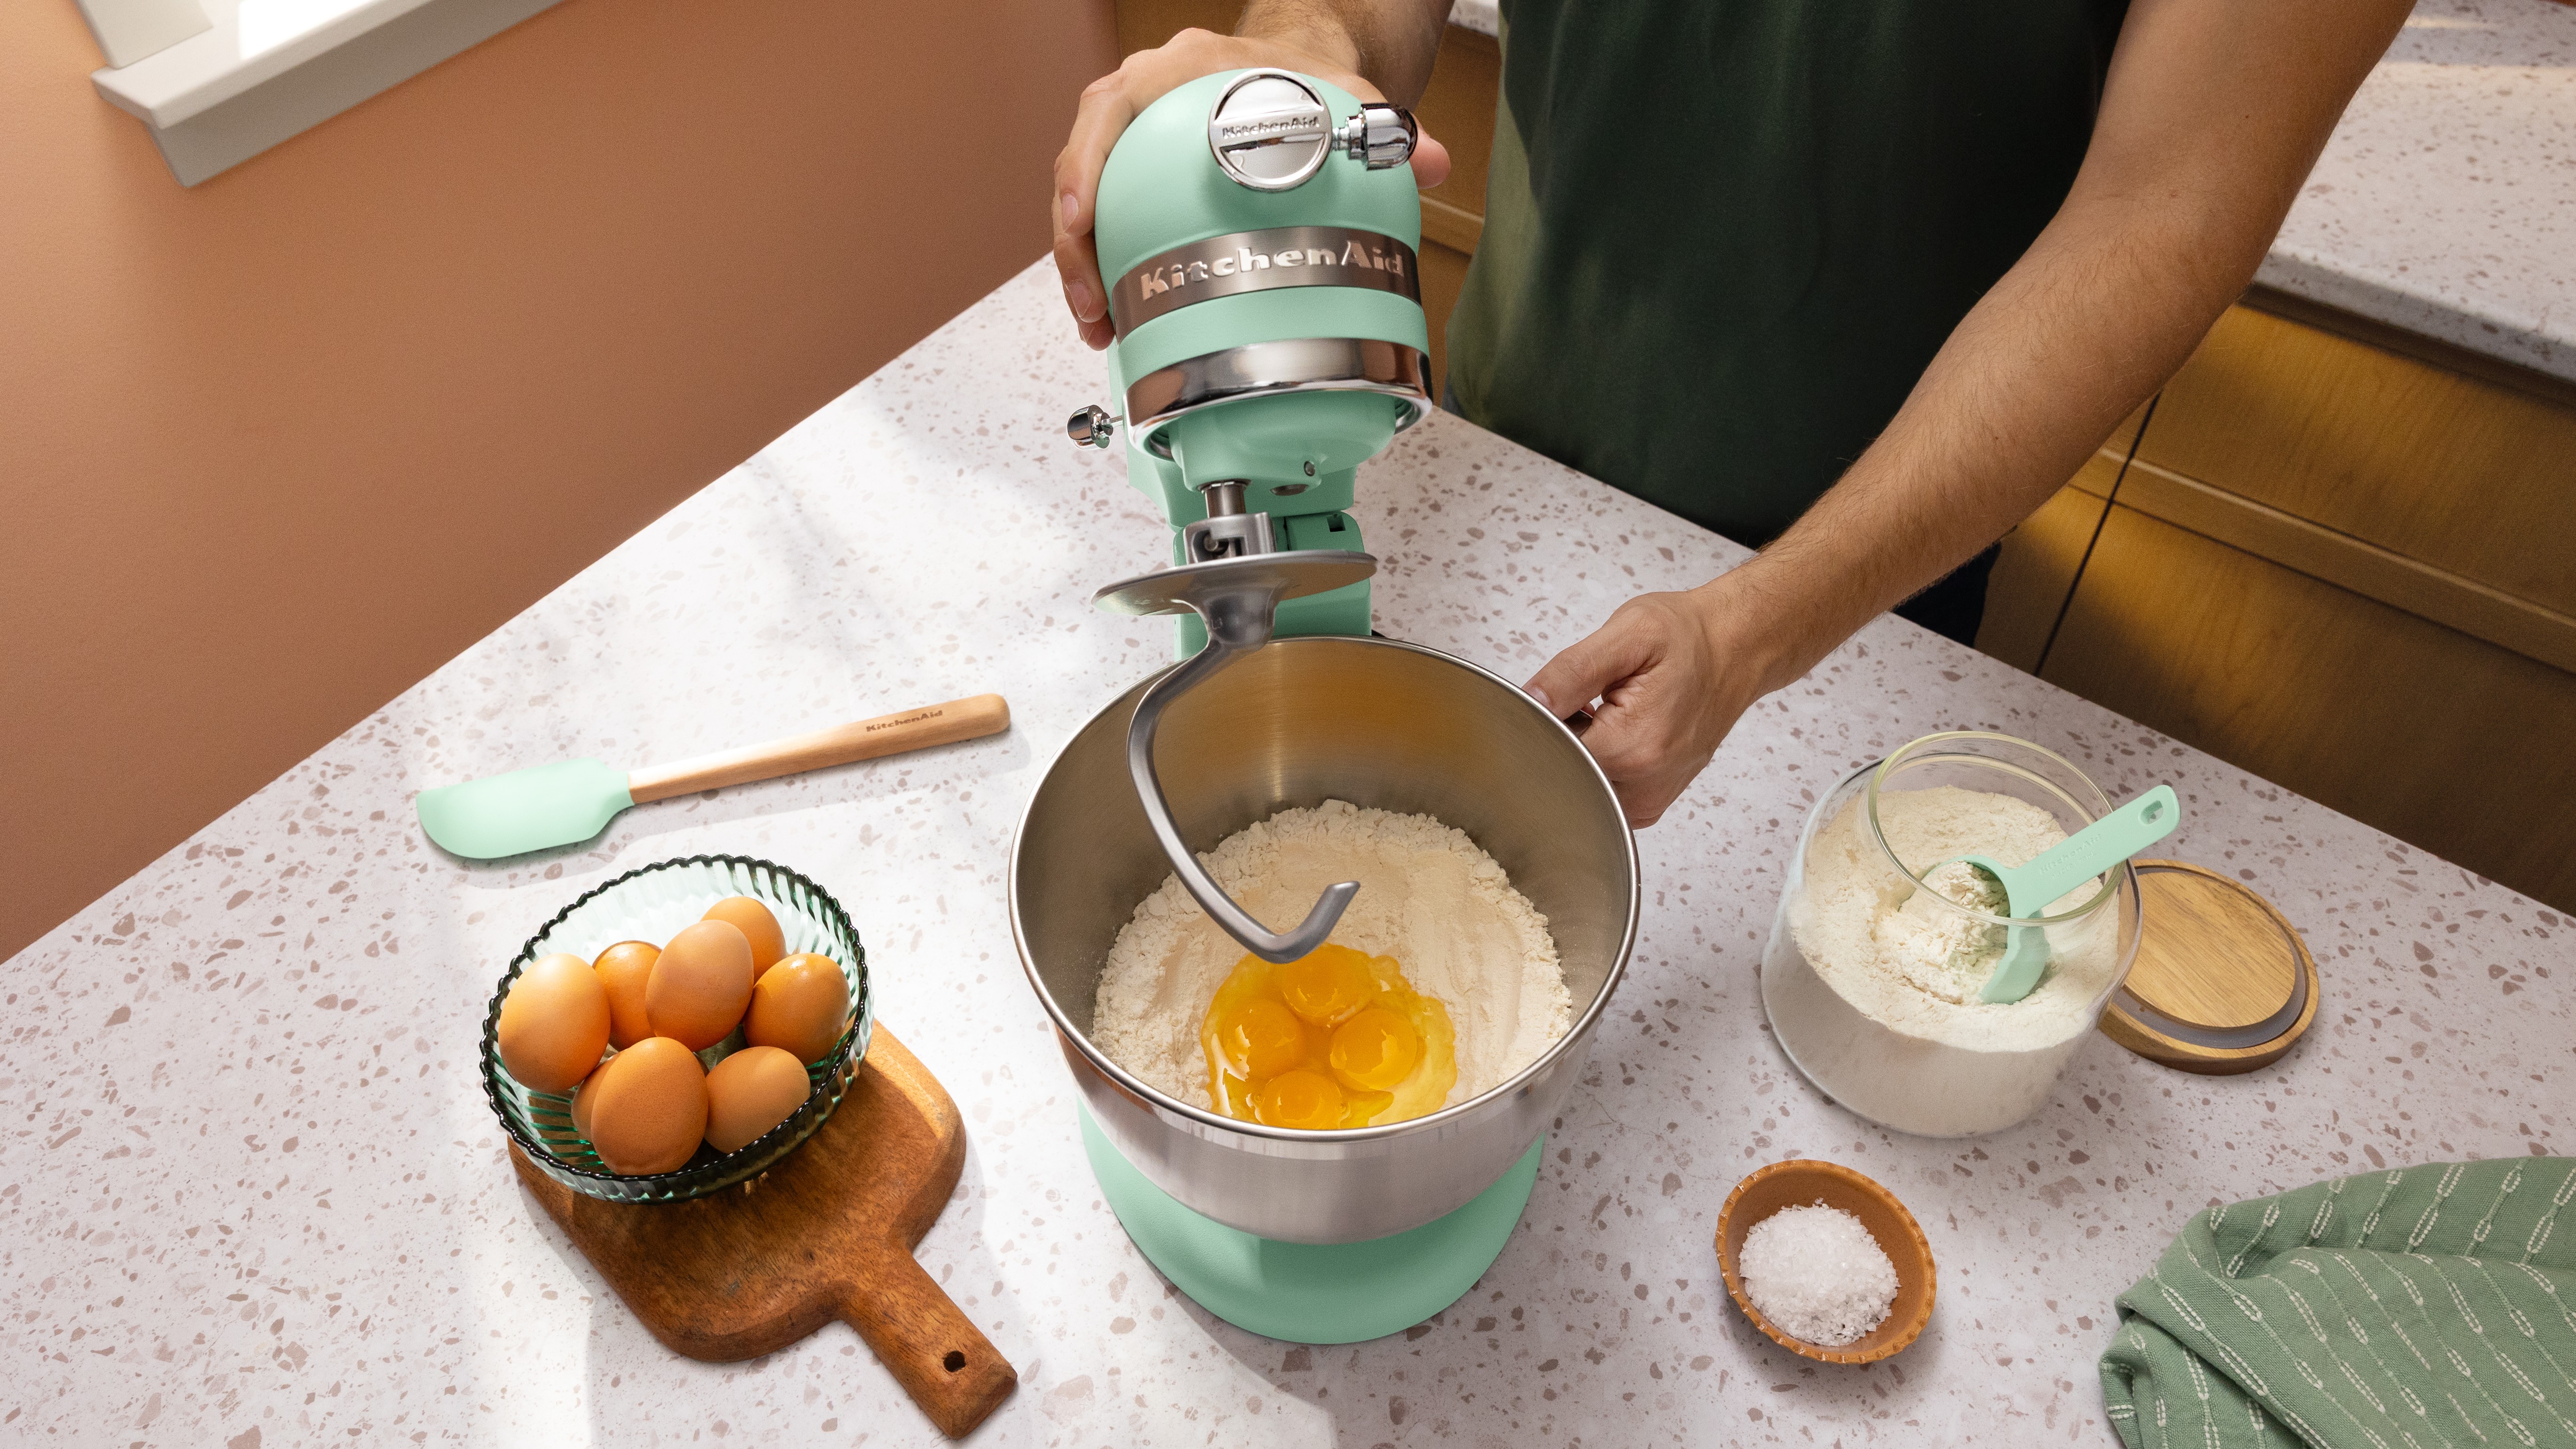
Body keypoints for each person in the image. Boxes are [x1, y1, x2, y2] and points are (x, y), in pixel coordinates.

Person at [1050, 0, 2410, 827]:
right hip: (1500, 439)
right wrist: (1296, 63)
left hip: (1855, 570)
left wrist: (1761, 628)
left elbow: (2163, 209)